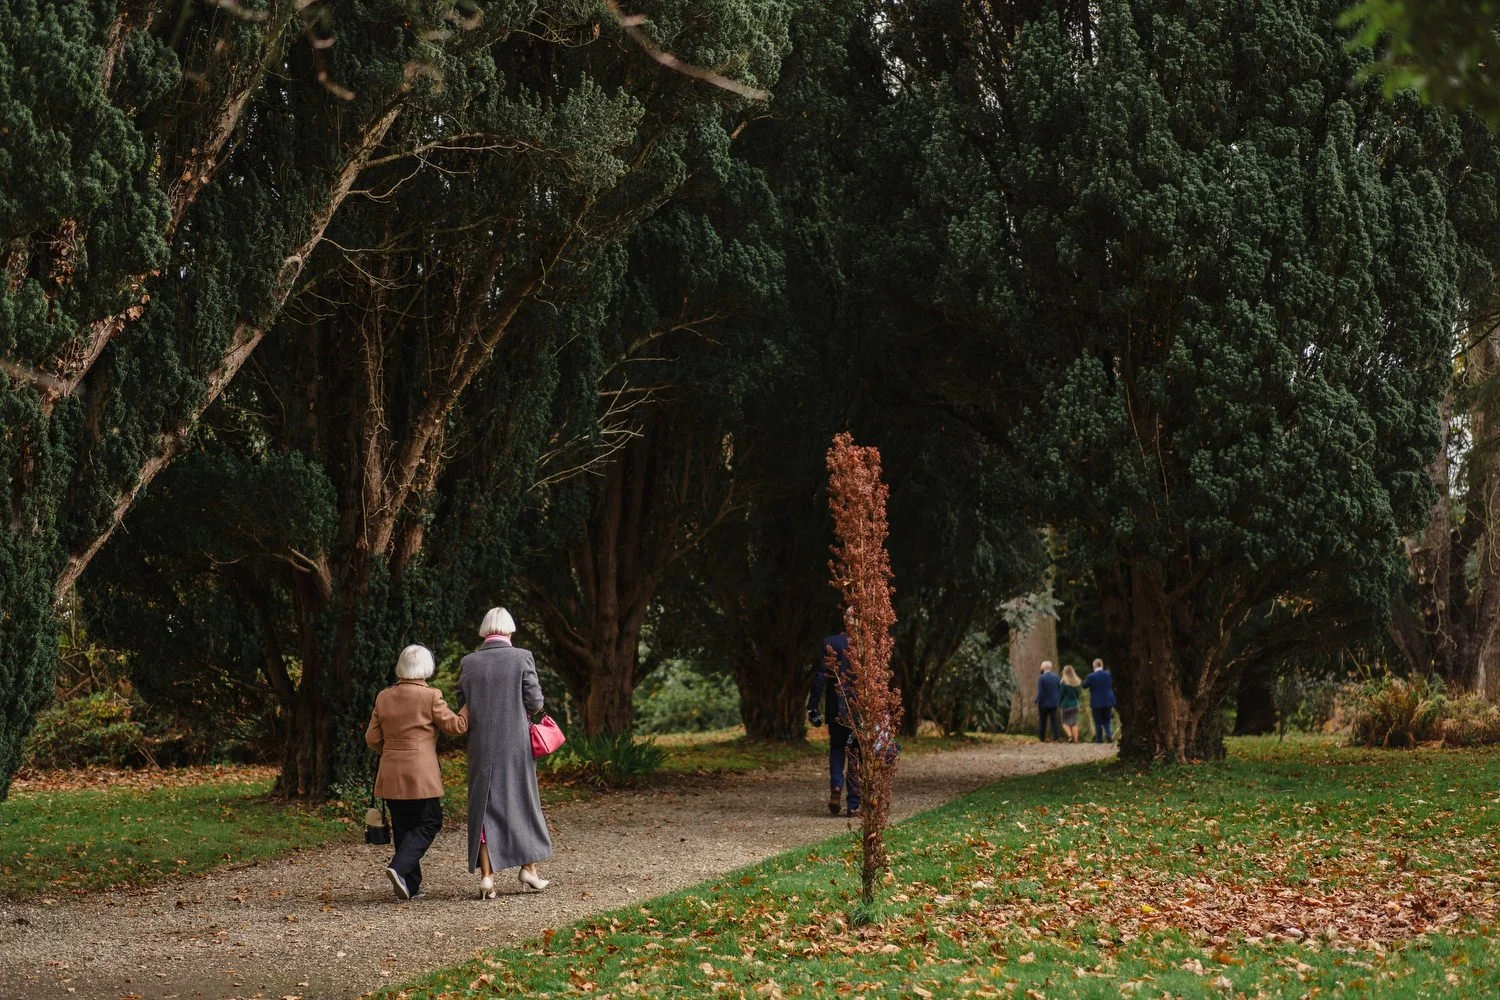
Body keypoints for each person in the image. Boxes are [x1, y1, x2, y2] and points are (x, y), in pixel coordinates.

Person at [459, 607, 553, 899]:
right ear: (509, 630)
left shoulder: (468, 662)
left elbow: (462, 701)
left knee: (484, 806)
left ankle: (487, 877)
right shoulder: (521, 657)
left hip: (480, 745)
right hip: (515, 744)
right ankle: (529, 869)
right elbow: (535, 702)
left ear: (485, 631)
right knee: (521, 801)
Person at [365, 644, 469, 901]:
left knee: (403, 826)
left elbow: (371, 738)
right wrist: (469, 704)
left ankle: (409, 886)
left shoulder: (383, 696)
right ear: (426, 667)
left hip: (390, 770)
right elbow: (457, 726)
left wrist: (390, 751)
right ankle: (399, 868)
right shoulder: (430, 696)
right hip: (420, 772)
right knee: (431, 821)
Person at [808, 633, 859, 816]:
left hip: (836, 705)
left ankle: (836, 786)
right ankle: (854, 804)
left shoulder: (831, 643)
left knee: (837, 747)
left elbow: (820, 676)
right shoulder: (869, 644)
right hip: (859, 708)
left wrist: (813, 706)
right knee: (856, 752)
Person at [1081, 658, 1117, 743]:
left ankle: (1099, 739)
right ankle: (1109, 735)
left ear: (1094, 666)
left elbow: (1084, 685)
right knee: (1107, 720)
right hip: (1108, 700)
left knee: (1098, 721)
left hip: (1096, 702)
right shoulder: (1108, 674)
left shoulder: (1091, 676)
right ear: (1102, 665)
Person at [1035, 660, 1062, 741]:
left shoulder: (1041, 678)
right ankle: (1056, 736)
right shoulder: (1056, 677)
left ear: (1043, 667)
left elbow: (1041, 692)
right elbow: (1058, 688)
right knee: (1054, 720)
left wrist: (1037, 700)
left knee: (1043, 721)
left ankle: (1041, 737)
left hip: (1043, 702)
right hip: (1053, 702)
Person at [1059, 664, 1083, 743]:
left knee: (1065, 723)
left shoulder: (1063, 683)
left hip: (1065, 705)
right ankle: (1076, 741)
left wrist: (1059, 704)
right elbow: (1078, 694)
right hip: (1075, 704)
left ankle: (1070, 736)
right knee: (1074, 723)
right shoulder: (1076, 682)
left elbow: (1061, 695)